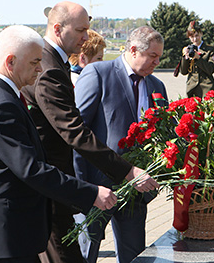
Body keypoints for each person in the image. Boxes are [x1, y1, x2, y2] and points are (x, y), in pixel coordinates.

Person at [0, 25, 120, 263]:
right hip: (4, 237)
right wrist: (90, 193)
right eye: (34, 62)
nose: (40, 69)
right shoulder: (1, 104)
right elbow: (31, 169)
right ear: (10, 62)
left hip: (7, 232)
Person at [21, 1, 159, 263]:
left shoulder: (53, 61)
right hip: (60, 184)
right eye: (81, 29)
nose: (87, 37)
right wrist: (127, 171)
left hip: (66, 186)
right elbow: (74, 130)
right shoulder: (49, 66)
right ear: (59, 29)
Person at [74, 26, 168, 263]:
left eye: (159, 57)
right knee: (85, 254)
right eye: (153, 56)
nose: (157, 62)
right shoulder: (99, 72)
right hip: (98, 186)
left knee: (134, 254)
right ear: (134, 50)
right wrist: (81, 186)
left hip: (136, 189)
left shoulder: (157, 86)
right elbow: (77, 131)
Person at [179, 20, 214, 98]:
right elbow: (183, 72)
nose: (195, 39)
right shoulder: (188, 50)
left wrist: (198, 58)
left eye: (197, 36)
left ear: (201, 34)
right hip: (192, 88)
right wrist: (185, 58)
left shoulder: (210, 49)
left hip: (206, 87)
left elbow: (210, 70)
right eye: (192, 37)